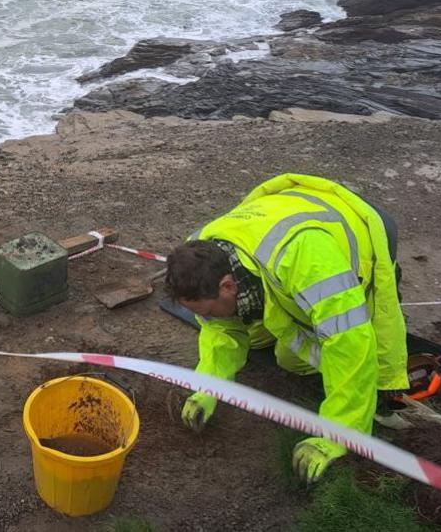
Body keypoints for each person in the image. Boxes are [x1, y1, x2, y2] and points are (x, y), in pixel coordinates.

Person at [161, 173, 408, 484]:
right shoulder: (201, 250)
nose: (208, 319)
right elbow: (220, 329)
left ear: (227, 286)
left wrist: (337, 435)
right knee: (279, 346)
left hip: (360, 230)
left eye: (208, 312)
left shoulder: (308, 261)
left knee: (323, 347)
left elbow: (349, 344)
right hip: (293, 215)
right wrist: (208, 389)